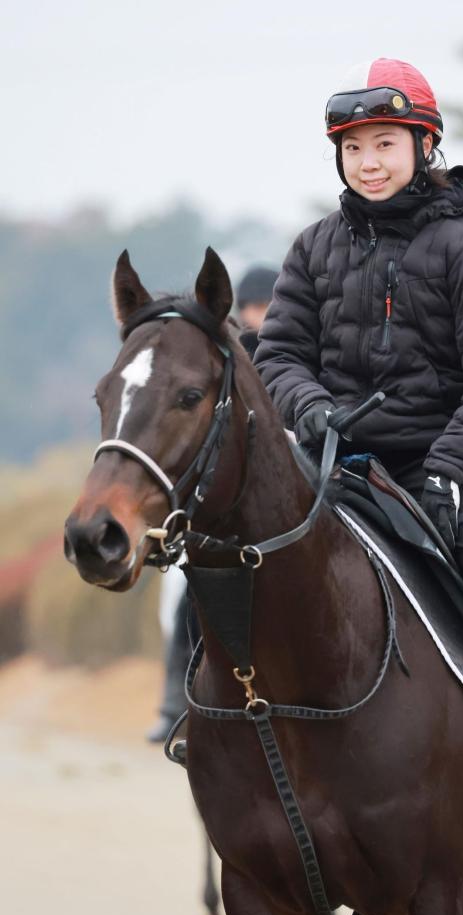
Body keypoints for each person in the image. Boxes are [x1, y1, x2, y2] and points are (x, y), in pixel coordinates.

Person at [253, 58, 463, 769]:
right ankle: (211, 713)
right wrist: (310, 408)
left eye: (384, 145)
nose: (367, 163)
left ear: (424, 145)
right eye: (353, 148)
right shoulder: (312, 247)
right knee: (232, 556)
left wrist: (447, 467)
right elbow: (277, 356)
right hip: (327, 462)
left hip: (433, 468)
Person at [146, 263, 278, 743]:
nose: (259, 314)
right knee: (189, 598)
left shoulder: (291, 351)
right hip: (231, 505)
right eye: (253, 306)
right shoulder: (229, 357)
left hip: (281, 493)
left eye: (266, 305)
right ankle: (175, 704)